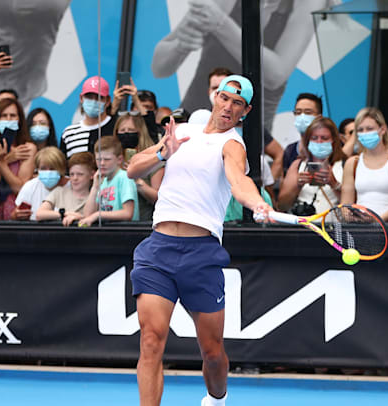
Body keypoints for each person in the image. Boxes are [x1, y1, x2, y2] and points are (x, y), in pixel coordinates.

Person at [126, 74, 271, 406]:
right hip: (158, 250)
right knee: (150, 341)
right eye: (225, 98)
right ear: (215, 97)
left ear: (245, 111)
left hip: (201, 255)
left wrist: (257, 203)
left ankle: (217, 399)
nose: (228, 106)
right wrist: (163, 153)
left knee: (213, 353)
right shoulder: (182, 132)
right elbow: (133, 168)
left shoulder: (233, 145)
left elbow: (239, 181)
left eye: (237, 103)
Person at [152, 0, 330, 132]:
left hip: (251, 134)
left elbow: (275, 75)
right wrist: (180, 46)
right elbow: (159, 67)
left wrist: (221, 23)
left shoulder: (308, 3)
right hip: (196, 120)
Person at [341, 108, 388, 222]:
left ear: (383, 129)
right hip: (361, 227)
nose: (365, 133)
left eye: (369, 129)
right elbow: (345, 205)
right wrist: (356, 219)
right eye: (360, 130)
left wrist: (377, 220)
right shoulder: (352, 163)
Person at [278, 117, 345, 215]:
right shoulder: (297, 165)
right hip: (303, 223)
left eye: (324, 138)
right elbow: (282, 205)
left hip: (333, 222)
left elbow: (353, 204)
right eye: (314, 138)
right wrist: (298, 185)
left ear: (334, 141)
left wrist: (334, 184)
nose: (319, 141)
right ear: (308, 141)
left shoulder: (345, 165)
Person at [0, 98, 37, 220]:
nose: (8, 119)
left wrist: (2, 163)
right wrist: (7, 159)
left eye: (13, 115)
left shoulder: (27, 149)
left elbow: (20, 189)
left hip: (16, 214)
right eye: (4, 116)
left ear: (19, 120)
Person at [78, 136, 139, 226]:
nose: (102, 163)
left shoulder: (124, 177)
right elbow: (88, 215)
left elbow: (128, 213)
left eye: (107, 159)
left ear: (119, 159)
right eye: (98, 159)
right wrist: (95, 187)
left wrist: (98, 215)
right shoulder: (102, 181)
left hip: (125, 231)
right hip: (107, 231)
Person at [114, 114, 164, 222]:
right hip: (114, 221)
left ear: (140, 132)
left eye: (131, 130)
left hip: (143, 223)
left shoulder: (152, 159)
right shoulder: (112, 159)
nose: (126, 133)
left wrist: (137, 180)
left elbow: (159, 198)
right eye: (122, 130)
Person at [60, 76, 116, 159]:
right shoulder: (69, 133)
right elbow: (63, 165)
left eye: (99, 97)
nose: (93, 101)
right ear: (81, 98)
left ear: (107, 101)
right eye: (89, 96)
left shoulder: (117, 128)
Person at [36, 151, 96, 225]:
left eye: (80, 174)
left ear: (92, 175)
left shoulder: (96, 196)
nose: (75, 178)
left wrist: (79, 217)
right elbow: (39, 214)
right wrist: (64, 214)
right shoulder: (59, 192)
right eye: (72, 174)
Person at [12, 146, 67, 221]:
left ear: (62, 169)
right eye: (43, 168)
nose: (48, 172)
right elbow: (14, 215)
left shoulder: (73, 185)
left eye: (52, 168)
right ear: (37, 169)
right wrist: (17, 215)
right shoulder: (30, 186)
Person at [282, 93, 323, 173]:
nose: (302, 116)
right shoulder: (290, 150)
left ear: (319, 117)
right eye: (298, 112)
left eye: (308, 112)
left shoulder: (328, 147)